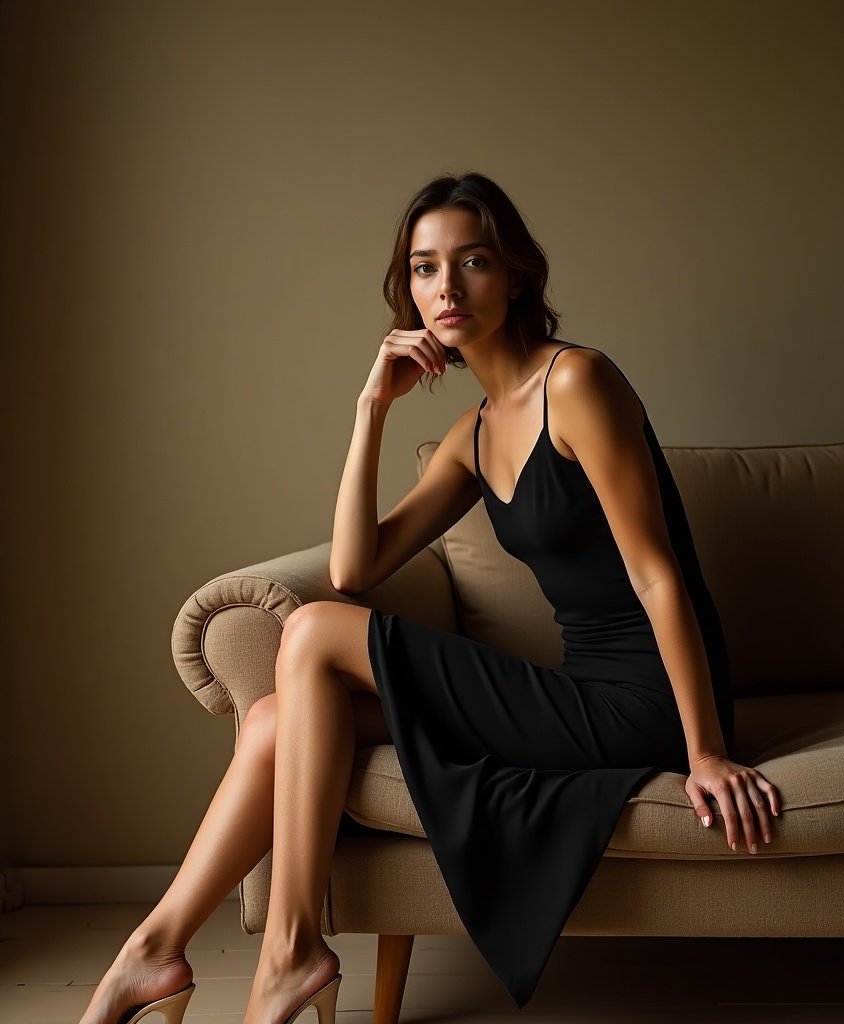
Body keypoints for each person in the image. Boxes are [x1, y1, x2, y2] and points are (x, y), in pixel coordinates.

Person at [79, 171, 782, 1024]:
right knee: (270, 722)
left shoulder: (578, 382)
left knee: (309, 635)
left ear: (516, 274)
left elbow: (656, 573)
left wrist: (703, 751)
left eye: (472, 260)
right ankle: (153, 951)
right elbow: (353, 569)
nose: (445, 287)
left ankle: (291, 952)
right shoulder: (474, 434)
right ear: (407, 289)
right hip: (576, 693)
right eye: (423, 268)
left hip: (648, 704)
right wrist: (370, 408)